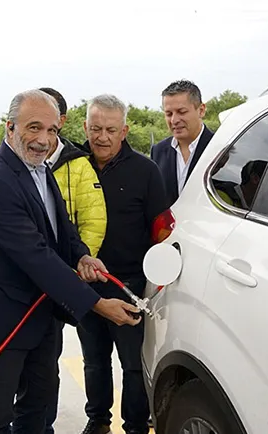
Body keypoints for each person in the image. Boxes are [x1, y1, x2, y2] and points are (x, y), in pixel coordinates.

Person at [0, 89, 140, 434]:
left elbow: (59, 226)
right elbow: (35, 255)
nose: (44, 139)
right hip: (2, 319)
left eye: (52, 131)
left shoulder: (37, 168)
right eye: (34, 128)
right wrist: (97, 305)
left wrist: (80, 254)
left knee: (38, 407)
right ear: (10, 127)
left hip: (39, 314)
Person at [79, 94, 168, 434]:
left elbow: (161, 229)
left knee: (133, 365)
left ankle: (135, 426)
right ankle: (97, 421)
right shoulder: (75, 167)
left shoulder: (146, 170)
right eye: (96, 128)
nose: (102, 137)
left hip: (130, 284)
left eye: (111, 130)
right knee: (94, 361)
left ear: (125, 130)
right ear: (86, 127)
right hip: (84, 282)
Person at [150, 80, 215, 207]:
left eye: (182, 112)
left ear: (201, 110)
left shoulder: (219, 148)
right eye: (169, 114)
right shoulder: (158, 151)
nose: (174, 120)